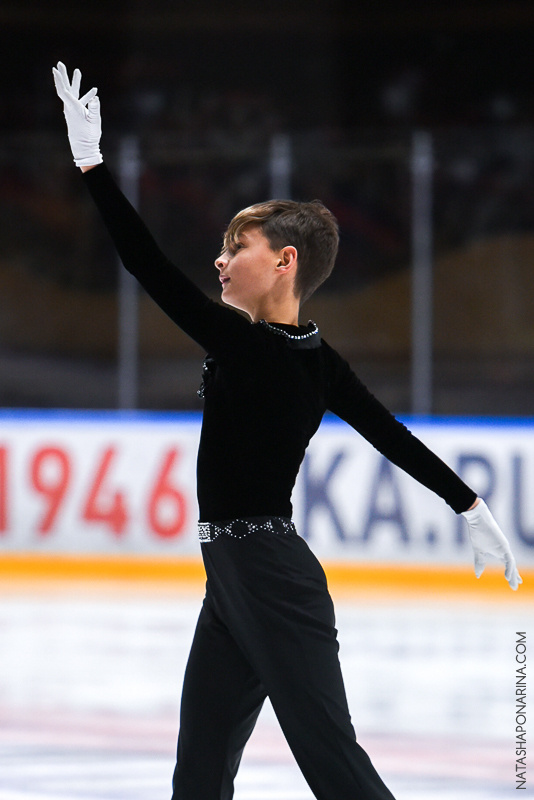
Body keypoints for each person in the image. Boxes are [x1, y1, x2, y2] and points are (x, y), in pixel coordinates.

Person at [52, 62, 521, 800]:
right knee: (198, 775)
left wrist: (92, 166)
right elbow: (393, 436)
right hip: (233, 582)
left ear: (284, 262)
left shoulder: (261, 349)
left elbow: (389, 434)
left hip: (272, 579)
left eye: (236, 246)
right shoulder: (297, 355)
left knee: (334, 767)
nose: (219, 259)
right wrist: (467, 504)